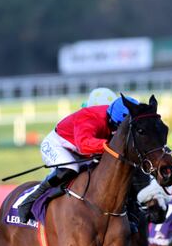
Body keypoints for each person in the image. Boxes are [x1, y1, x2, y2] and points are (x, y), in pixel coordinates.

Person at [17, 95, 138, 223]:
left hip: (82, 151)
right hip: (58, 145)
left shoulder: (114, 115)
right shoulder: (91, 118)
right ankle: (30, 200)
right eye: (116, 128)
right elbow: (84, 144)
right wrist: (109, 146)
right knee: (70, 169)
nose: (116, 131)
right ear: (112, 120)